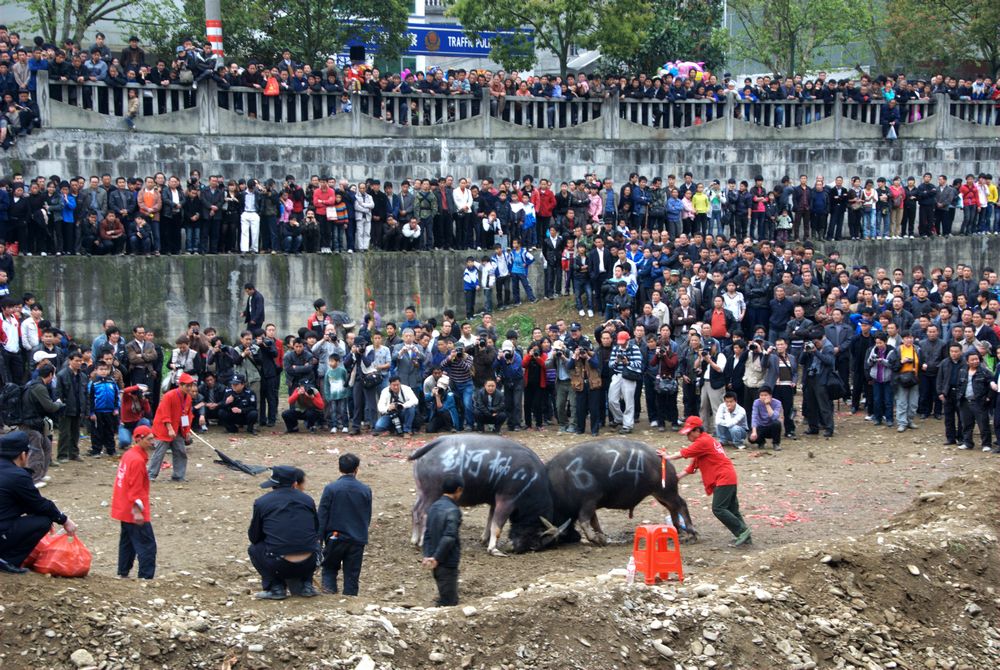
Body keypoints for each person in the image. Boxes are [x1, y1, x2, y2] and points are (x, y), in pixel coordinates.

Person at [663, 416, 751, 547]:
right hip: (728, 476)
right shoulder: (705, 442)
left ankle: (743, 531)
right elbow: (693, 466)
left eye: (689, 433)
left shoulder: (703, 441)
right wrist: (678, 476)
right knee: (732, 509)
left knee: (719, 508)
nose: (688, 437)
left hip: (723, 478)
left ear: (697, 430)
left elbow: (685, 453)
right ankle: (744, 536)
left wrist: (667, 457)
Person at [248, 465, 320, 600]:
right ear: (295, 483)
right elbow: (316, 530)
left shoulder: (262, 502)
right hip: (310, 561)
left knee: (254, 549)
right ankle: (307, 585)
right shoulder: (308, 500)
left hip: (279, 563)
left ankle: (275, 588)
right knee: (311, 542)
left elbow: (254, 536)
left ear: (273, 484)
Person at [318, 453, 372, 596]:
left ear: (339, 468)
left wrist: (319, 539)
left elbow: (322, 515)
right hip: (357, 538)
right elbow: (367, 515)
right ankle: (350, 600)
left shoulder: (331, 488)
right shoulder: (365, 489)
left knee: (329, 568)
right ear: (356, 469)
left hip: (335, 536)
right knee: (352, 574)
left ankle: (329, 597)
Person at [111, 425, 156, 579]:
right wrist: (137, 510)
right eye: (149, 439)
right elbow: (135, 488)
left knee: (127, 542)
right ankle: (146, 577)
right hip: (132, 509)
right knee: (147, 545)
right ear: (138, 439)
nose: (152, 442)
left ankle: (122, 572)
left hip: (123, 506)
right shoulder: (137, 460)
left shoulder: (129, 455)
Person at [421, 474, 464, 606]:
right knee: (449, 601)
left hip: (434, 560)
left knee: (444, 594)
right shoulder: (453, 511)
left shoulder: (434, 507)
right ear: (458, 490)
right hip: (447, 561)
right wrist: (437, 557)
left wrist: (428, 555)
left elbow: (427, 534)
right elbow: (449, 537)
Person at [147, 372, 197, 482]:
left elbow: (187, 415)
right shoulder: (169, 396)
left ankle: (178, 476)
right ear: (180, 385)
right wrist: (169, 429)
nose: (189, 388)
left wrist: (187, 430)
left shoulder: (188, 398)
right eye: (187, 386)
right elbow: (165, 414)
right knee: (159, 453)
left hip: (177, 429)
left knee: (180, 452)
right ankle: (150, 475)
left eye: (191, 385)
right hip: (164, 429)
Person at [608, 330, 642, 434]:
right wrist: (616, 361)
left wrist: (628, 362)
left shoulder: (635, 348)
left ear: (627, 340)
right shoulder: (616, 348)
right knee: (611, 400)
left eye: (623, 342)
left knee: (629, 401)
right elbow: (610, 364)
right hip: (617, 375)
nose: (621, 344)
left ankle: (628, 425)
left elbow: (639, 364)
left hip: (629, 376)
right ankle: (619, 418)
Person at [88, 360, 120, 457]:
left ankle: (111, 449)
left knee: (110, 431)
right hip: (97, 411)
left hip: (110, 411)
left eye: (105, 369)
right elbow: (90, 399)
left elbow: (116, 396)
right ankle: (96, 450)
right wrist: (91, 412)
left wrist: (116, 408)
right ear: (96, 370)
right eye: (101, 369)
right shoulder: (93, 383)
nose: (103, 372)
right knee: (97, 431)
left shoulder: (112, 382)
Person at [750, 386, 784, 450]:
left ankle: (776, 443)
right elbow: (754, 417)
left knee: (777, 423)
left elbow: (774, 417)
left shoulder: (777, 403)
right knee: (751, 438)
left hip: (771, 427)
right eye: (761, 395)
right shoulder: (756, 402)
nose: (763, 397)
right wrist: (754, 432)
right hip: (761, 426)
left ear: (770, 395)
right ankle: (761, 442)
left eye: (765, 395)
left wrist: (767, 405)